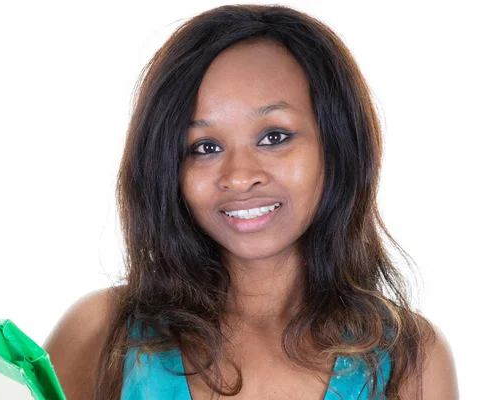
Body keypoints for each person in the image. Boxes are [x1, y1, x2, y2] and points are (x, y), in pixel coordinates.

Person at [43, 4, 459, 399]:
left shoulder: (411, 359)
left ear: (338, 144)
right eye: (205, 147)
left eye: (274, 137)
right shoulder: (101, 334)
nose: (240, 176)